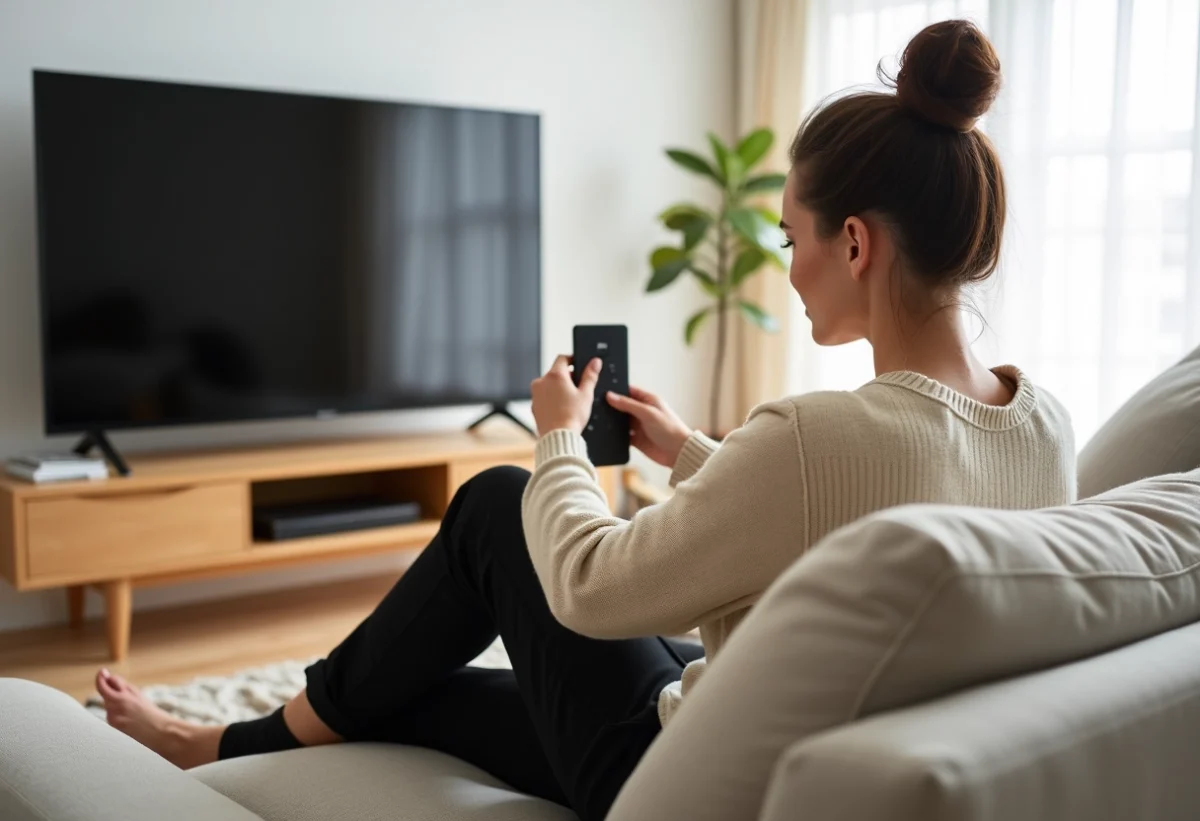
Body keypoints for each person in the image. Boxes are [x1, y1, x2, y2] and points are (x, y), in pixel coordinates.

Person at [96, 19, 1075, 821]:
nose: (785, 261)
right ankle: (241, 737)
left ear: (853, 242)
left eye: (789, 234)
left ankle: (206, 741)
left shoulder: (815, 434)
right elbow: (855, 524)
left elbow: (590, 590)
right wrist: (691, 450)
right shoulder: (1042, 425)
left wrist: (559, 435)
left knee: (493, 501)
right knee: (412, 688)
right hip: (826, 739)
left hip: (669, 775)